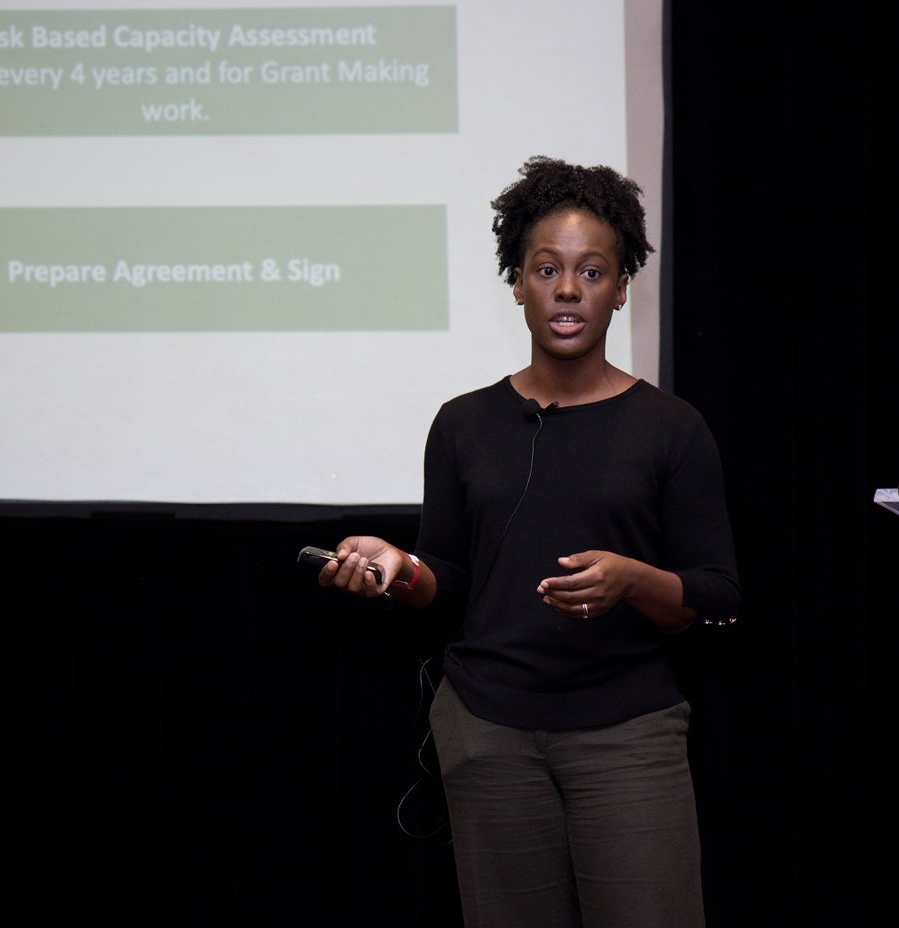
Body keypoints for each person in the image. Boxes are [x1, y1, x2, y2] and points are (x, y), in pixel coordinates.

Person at [313, 155, 741, 928]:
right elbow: (447, 578)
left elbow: (714, 595)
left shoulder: (672, 428)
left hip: (627, 735)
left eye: (591, 271)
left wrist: (631, 580)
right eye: (547, 268)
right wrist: (395, 568)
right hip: (487, 731)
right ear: (517, 282)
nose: (568, 289)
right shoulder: (462, 423)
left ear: (619, 287)